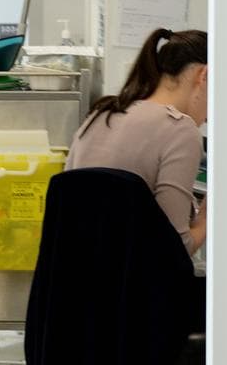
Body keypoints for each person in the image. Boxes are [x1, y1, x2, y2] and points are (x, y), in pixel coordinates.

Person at [64, 27, 208, 254]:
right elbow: (175, 249)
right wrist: (207, 215)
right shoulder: (181, 130)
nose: (210, 115)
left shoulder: (101, 114)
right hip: (136, 285)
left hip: (77, 281)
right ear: (203, 75)